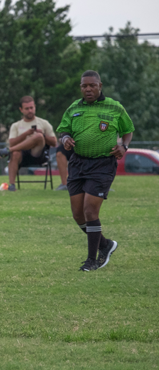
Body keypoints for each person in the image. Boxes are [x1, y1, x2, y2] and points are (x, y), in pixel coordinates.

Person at [57, 70, 134, 271]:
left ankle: (92, 260)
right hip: (78, 163)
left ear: (100, 86)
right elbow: (64, 130)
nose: (88, 89)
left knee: (90, 210)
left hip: (102, 164)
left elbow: (128, 130)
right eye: (84, 86)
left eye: (92, 85)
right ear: (81, 88)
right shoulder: (74, 108)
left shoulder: (115, 107)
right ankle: (106, 244)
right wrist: (65, 139)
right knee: (77, 214)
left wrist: (124, 146)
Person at [0, 96, 57, 191]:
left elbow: (54, 142)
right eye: (27, 108)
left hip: (38, 154)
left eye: (31, 108)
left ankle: (7, 151)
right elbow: (11, 142)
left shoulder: (44, 123)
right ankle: (12, 185)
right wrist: (26, 134)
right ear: (21, 110)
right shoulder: (16, 125)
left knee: (38, 136)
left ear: (35, 107)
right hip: (22, 155)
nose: (30, 110)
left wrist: (43, 135)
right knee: (15, 153)